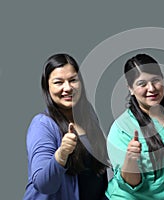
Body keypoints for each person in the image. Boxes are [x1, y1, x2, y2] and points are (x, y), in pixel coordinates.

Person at [105, 53, 164, 199]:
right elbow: (130, 184)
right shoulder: (121, 129)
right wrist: (130, 159)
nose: (151, 88)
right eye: (142, 84)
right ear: (131, 88)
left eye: (155, 80)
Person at [23, 53, 110, 200]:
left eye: (73, 80)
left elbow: (97, 177)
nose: (68, 88)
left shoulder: (88, 116)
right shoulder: (42, 124)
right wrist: (62, 154)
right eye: (58, 82)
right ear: (47, 87)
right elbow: (44, 185)